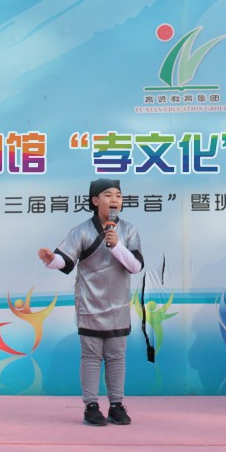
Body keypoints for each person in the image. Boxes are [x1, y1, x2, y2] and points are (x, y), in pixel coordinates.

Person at [37, 178, 144, 427]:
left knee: (116, 357)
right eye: (108, 195)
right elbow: (66, 260)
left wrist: (117, 246)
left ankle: (116, 405)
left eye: (118, 195)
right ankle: (91, 406)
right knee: (91, 356)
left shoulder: (129, 231)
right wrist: (52, 259)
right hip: (90, 304)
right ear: (95, 201)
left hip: (118, 305)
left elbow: (135, 266)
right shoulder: (82, 231)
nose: (115, 199)